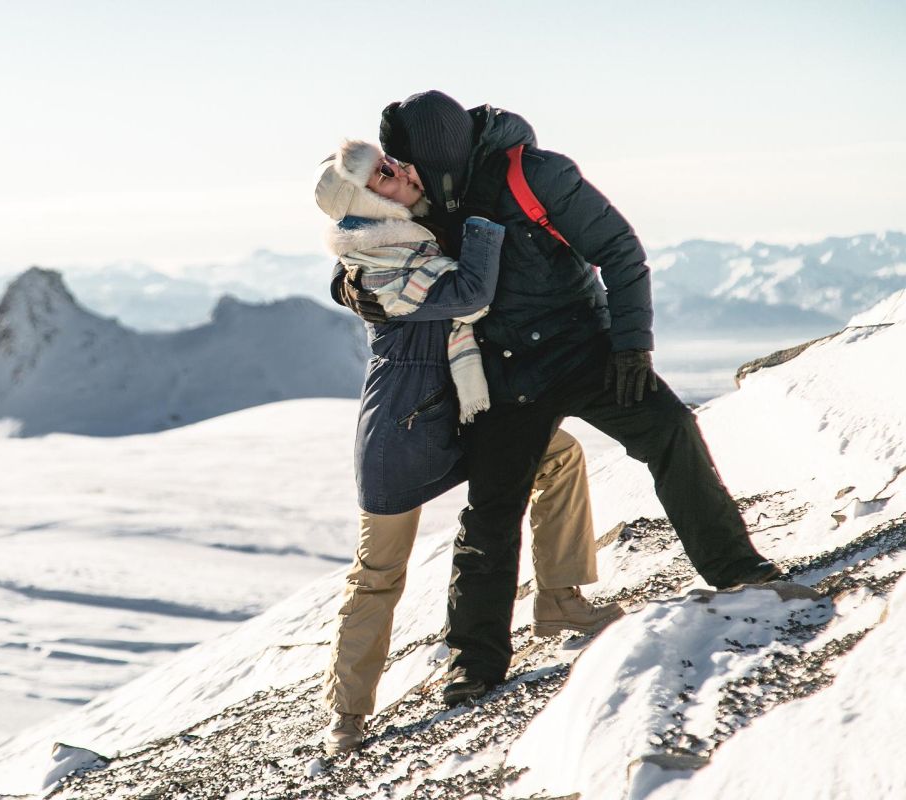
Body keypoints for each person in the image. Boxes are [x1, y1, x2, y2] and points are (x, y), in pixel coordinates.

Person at [334, 90, 783, 707]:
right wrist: (346, 283)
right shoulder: (429, 194)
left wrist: (631, 347)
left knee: (670, 429)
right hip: (505, 371)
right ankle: (475, 664)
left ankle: (737, 570)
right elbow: (367, 240)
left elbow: (621, 252)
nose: (404, 174)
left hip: (584, 347)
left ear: (438, 155)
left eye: (410, 162)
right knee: (492, 510)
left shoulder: (535, 175)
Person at [313, 139, 623, 755]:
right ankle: (346, 715)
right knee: (378, 574)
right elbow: (469, 295)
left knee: (559, 457)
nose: (399, 168)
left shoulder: (409, 235)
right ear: (365, 201)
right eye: (382, 171)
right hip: (403, 430)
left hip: (462, 407)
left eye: (392, 160)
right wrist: (486, 220)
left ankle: (559, 599)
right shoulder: (375, 261)